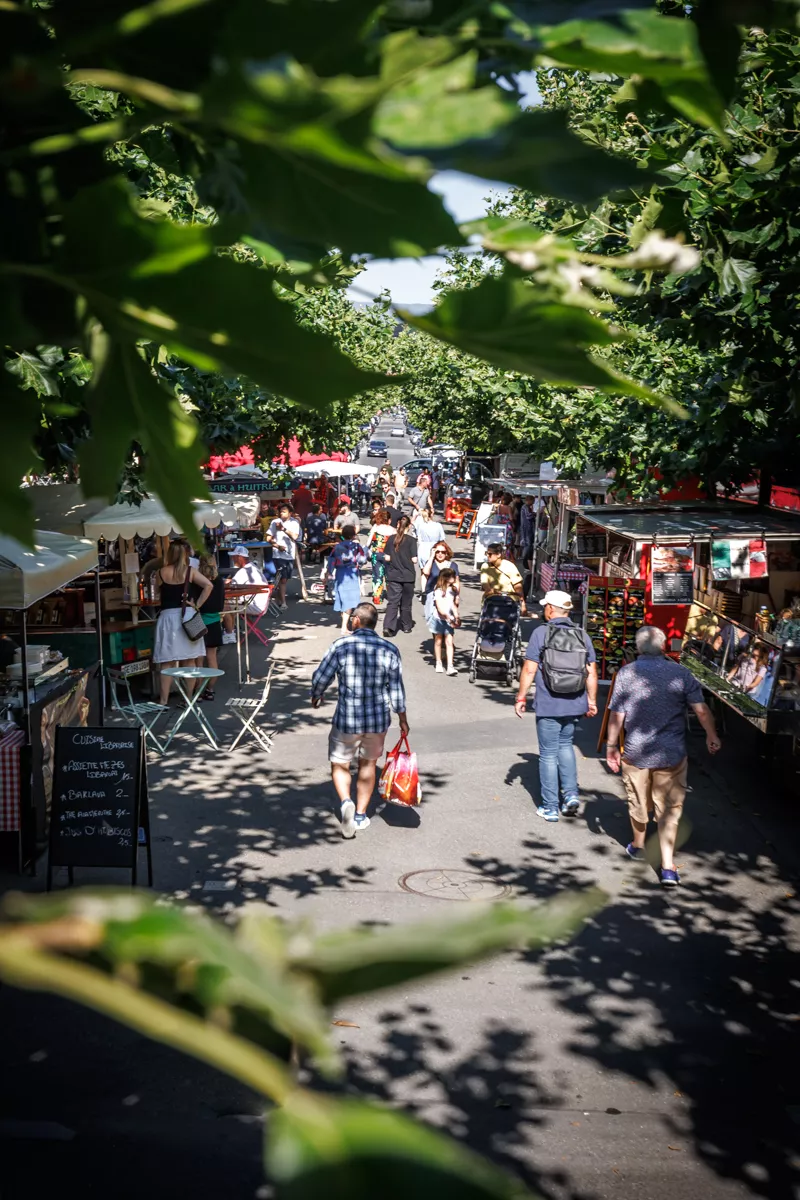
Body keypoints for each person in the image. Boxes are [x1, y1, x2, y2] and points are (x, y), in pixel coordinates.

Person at [605, 625, 722, 888]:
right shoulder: (680, 673)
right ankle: (668, 867)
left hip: (636, 751)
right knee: (669, 809)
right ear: (664, 646)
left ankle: (638, 845)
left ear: (638, 648)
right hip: (672, 753)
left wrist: (611, 745)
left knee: (637, 800)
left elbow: (617, 715)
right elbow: (701, 710)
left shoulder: (627, 673)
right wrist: (711, 735)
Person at [311, 601, 409, 837]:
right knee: (368, 765)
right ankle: (361, 815)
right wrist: (402, 718)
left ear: (356, 620)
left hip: (348, 719)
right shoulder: (389, 649)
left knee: (340, 764)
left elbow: (321, 676)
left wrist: (317, 693)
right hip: (377, 720)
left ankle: (346, 802)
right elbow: (396, 689)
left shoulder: (341, 645)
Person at [515, 589, 597, 822]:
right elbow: (591, 672)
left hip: (549, 702)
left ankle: (550, 806)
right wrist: (591, 701)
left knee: (548, 754)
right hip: (575, 701)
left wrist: (521, 697)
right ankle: (570, 795)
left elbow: (529, 669)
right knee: (566, 745)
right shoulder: (582, 635)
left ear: (550, 609)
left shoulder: (541, 633)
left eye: (545, 607)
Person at [154, 540, 213, 705]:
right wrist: (197, 605)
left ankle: (163, 701)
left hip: (167, 618)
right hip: (187, 616)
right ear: (185, 554)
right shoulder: (190, 572)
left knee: (166, 663)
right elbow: (208, 585)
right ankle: (188, 698)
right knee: (190, 660)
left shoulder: (160, 573)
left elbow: (157, 593)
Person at [222, 545, 273, 643]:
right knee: (231, 602)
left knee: (224, 606)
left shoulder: (244, 571)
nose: (232, 559)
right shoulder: (252, 567)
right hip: (259, 603)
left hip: (255, 605)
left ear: (240, 557)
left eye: (234, 557)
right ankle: (231, 631)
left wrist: (225, 583)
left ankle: (229, 634)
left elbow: (231, 587)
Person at [323, 525, 368, 632]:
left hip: (340, 574)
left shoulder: (337, 547)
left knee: (343, 599)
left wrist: (328, 574)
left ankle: (345, 624)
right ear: (353, 535)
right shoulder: (356, 547)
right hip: (352, 574)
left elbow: (331, 562)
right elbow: (362, 560)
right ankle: (344, 627)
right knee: (350, 600)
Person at [382, 515, 418, 637]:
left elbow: (387, 558)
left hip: (393, 574)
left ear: (397, 525)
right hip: (408, 575)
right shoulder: (412, 540)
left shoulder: (391, 539)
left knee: (393, 602)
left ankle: (388, 626)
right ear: (409, 526)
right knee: (406, 603)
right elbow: (414, 560)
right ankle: (406, 625)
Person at [198, 554, 225, 701]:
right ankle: (210, 689)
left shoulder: (198, 580)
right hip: (214, 620)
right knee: (212, 657)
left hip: (200, 621)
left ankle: (198, 691)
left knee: (198, 659)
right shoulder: (219, 580)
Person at [427, 566, 460, 675]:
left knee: (449, 642)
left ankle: (450, 666)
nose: (455, 578)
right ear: (446, 578)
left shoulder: (453, 590)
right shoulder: (438, 590)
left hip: (449, 619)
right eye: (452, 576)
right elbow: (439, 607)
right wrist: (447, 616)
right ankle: (438, 662)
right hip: (439, 619)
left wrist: (456, 616)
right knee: (438, 641)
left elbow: (453, 605)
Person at [267, 503, 301, 609]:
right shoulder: (275, 522)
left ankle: (278, 597)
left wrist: (283, 529)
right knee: (282, 579)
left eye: (284, 511)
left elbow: (295, 537)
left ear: (290, 513)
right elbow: (268, 538)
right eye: (280, 511)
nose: (281, 513)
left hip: (289, 555)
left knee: (284, 579)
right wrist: (277, 546)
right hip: (277, 555)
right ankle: (283, 602)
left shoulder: (294, 523)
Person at [480, 544, 527, 614]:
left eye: (490, 554)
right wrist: (489, 590)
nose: (487, 556)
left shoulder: (509, 566)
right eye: (486, 553)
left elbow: (518, 586)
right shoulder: (485, 566)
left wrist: (523, 604)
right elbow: (485, 583)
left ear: (498, 555)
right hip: (492, 600)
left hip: (510, 601)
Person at [366, 507, 395, 606]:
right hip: (389, 555)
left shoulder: (375, 527)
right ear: (389, 520)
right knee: (389, 576)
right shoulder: (393, 530)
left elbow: (368, 542)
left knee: (377, 576)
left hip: (376, 554)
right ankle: (392, 597)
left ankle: (377, 598)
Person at [413, 507, 446, 574]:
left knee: (424, 573)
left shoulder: (421, 526)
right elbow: (442, 539)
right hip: (435, 549)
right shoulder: (438, 525)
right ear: (431, 515)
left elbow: (418, 537)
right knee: (436, 572)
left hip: (423, 549)